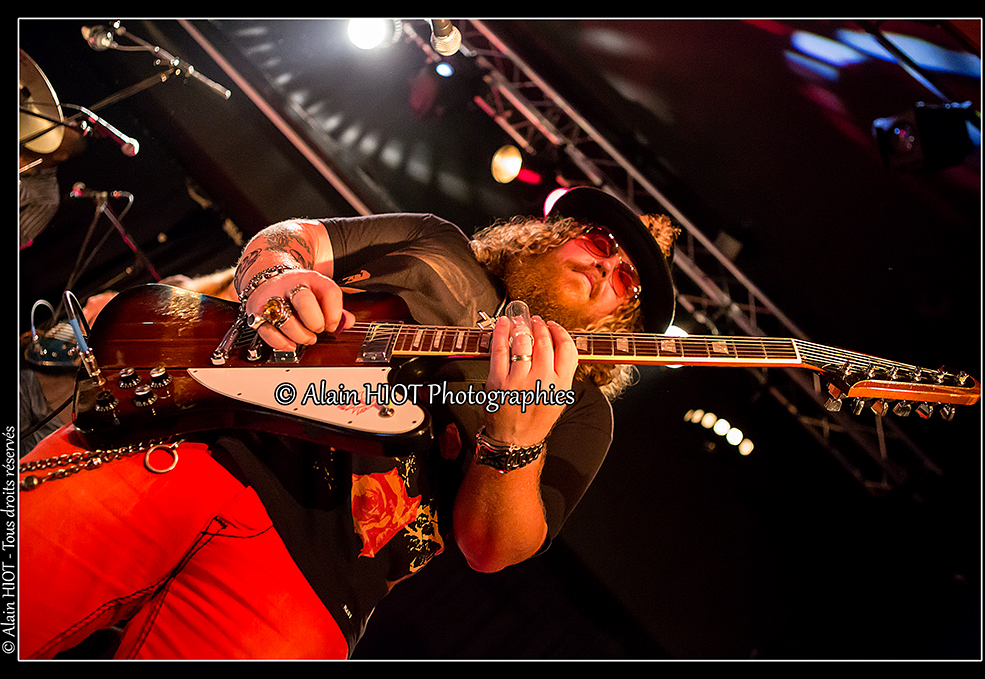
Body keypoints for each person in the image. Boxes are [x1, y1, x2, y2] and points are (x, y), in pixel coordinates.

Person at [18, 187, 678, 660]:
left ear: (621, 318)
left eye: (627, 281)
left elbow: (492, 548)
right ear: (557, 233)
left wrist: (515, 438)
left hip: (306, 588)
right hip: (183, 447)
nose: (606, 269)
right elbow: (291, 238)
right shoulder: (439, 244)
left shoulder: (581, 410)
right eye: (602, 243)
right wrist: (275, 277)